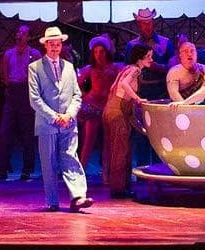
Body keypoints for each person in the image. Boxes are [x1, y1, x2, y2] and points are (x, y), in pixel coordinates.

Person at [28, 27, 93, 212]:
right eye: (52, 44)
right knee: (49, 163)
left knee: (70, 157)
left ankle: (78, 196)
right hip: (47, 123)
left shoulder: (69, 67)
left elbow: (77, 95)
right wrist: (54, 117)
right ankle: (52, 201)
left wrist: (69, 115)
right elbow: (34, 99)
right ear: (45, 45)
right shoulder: (35, 68)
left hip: (68, 122)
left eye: (58, 44)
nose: (55, 47)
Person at [101, 44, 153, 198]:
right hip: (117, 112)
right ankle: (119, 189)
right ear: (139, 58)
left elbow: (114, 88)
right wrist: (138, 99)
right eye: (148, 56)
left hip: (113, 111)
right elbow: (123, 85)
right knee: (121, 151)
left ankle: (122, 186)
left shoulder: (126, 69)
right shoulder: (135, 70)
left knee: (120, 150)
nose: (151, 59)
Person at [0, 25, 40, 181]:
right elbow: (4, 73)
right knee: (5, 132)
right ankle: (2, 170)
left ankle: (27, 170)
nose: (20, 35)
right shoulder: (8, 54)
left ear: (28, 37)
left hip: (26, 92)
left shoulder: (34, 54)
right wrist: (10, 85)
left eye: (24, 33)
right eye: (18, 32)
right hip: (12, 92)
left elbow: (38, 75)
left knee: (27, 134)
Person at [76, 35, 121, 171]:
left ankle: (106, 173)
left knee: (108, 143)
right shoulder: (90, 69)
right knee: (88, 141)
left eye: (101, 51)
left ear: (106, 52)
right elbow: (75, 82)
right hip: (93, 107)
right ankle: (81, 172)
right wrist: (84, 94)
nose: (98, 55)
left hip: (108, 107)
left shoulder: (115, 68)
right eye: (95, 52)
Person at [125, 9, 173, 101]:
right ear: (139, 25)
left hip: (163, 92)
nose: (147, 26)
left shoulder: (166, 42)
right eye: (144, 23)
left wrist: (159, 67)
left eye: (149, 23)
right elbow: (126, 69)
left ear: (153, 22)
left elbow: (174, 68)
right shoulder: (131, 45)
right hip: (139, 93)